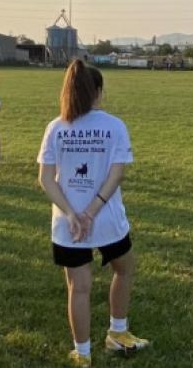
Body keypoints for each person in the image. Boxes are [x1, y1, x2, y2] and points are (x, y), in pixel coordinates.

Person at [37, 60, 149, 368]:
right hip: (107, 220)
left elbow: (46, 179)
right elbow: (117, 174)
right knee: (124, 269)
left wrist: (73, 214)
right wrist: (92, 211)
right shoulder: (114, 125)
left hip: (67, 224)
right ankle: (117, 332)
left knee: (79, 287)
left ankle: (83, 353)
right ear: (98, 91)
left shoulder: (56, 127)